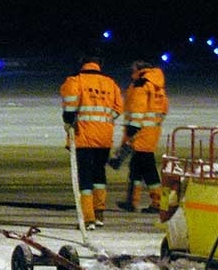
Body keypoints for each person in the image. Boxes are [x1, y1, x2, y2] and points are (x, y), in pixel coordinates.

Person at [60, 54, 124, 229]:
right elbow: (118, 108)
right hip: (104, 136)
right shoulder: (110, 83)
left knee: (85, 177)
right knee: (99, 174)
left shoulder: (76, 81)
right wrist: (104, 120)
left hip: (84, 136)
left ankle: (88, 218)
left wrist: (69, 122)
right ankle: (100, 213)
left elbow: (70, 108)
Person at [113, 60, 169, 212]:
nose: (131, 72)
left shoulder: (141, 85)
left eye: (133, 69)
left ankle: (158, 202)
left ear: (139, 69)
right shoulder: (158, 85)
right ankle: (131, 201)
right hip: (152, 131)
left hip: (141, 132)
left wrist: (133, 129)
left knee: (147, 168)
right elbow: (163, 109)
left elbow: (138, 108)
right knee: (136, 167)